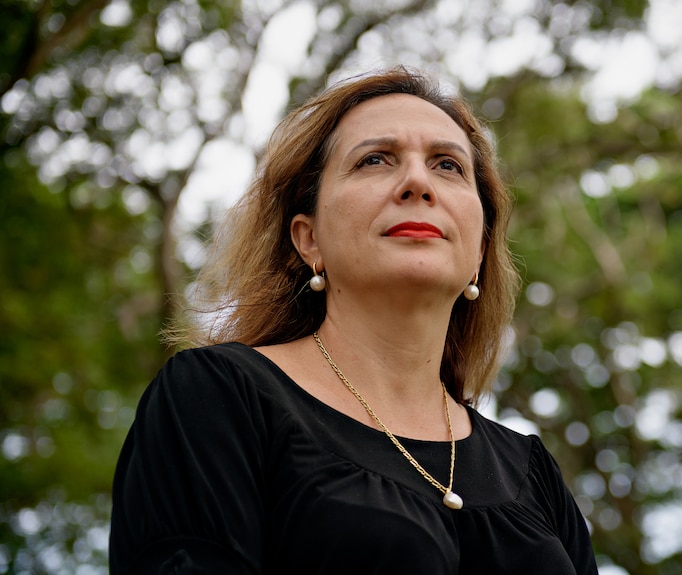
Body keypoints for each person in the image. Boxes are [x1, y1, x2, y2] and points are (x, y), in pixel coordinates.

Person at [109, 67, 598, 574]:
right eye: (375, 160)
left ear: (478, 250)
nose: (417, 182)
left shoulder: (532, 469)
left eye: (448, 165)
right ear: (309, 239)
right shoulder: (219, 397)